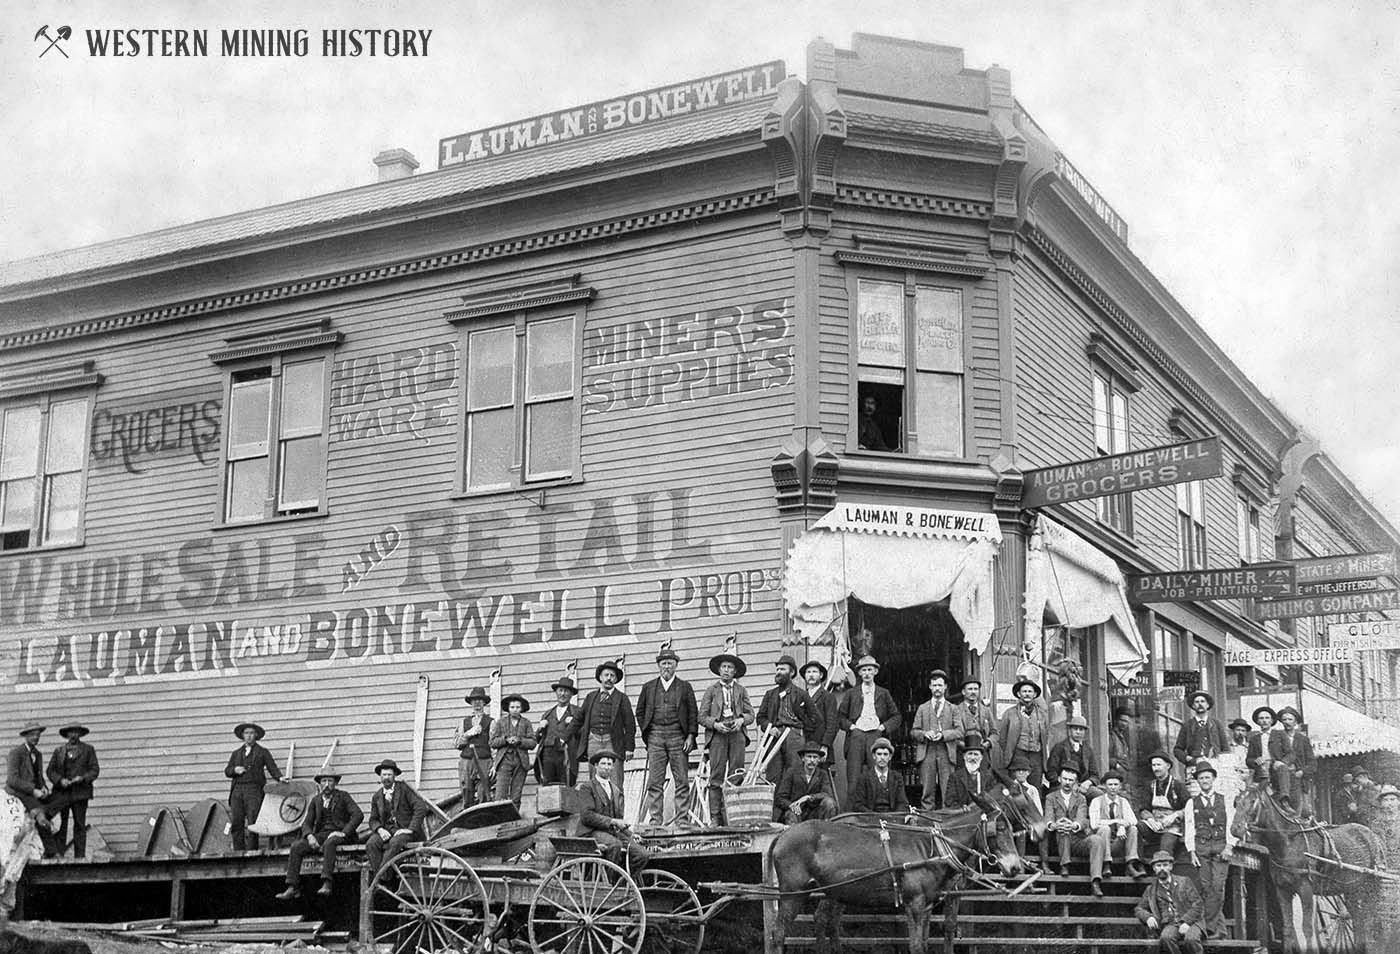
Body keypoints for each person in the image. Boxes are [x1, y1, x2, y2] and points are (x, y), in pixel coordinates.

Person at [635, 644, 699, 827]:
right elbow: (639, 712)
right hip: (655, 736)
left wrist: (690, 736)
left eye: (670, 663)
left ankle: (682, 820)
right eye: (663, 663)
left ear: (676, 665)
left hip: (678, 737)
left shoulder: (685, 687)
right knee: (655, 782)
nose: (667, 667)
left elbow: (693, 714)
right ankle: (656, 820)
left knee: (681, 780)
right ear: (658, 665)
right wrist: (647, 732)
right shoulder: (648, 687)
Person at [276, 768, 363, 900]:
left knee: (330, 842)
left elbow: (358, 815)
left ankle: (327, 882)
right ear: (320, 783)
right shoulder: (316, 800)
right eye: (324, 781)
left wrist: (344, 832)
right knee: (296, 846)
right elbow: (306, 823)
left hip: (340, 835)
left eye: (330, 781)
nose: (327, 784)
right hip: (322, 834)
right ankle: (293, 886)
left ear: (335, 783)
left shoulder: (343, 796)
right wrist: (310, 836)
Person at [698, 647, 754, 826]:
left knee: (736, 775)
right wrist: (715, 724)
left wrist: (741, 721)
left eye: (730, 667)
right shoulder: (711, 690)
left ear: (735, 671)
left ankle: (733, 816)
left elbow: (751, 714)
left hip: (737, 735)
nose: (727, 670)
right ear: (719, 670)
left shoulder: (741, 690)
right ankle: (716, 817)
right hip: (718, 736)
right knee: (716, 776)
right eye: (724, 667)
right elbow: (701, 716)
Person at [571, 750, 650, 871]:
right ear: (596, 765)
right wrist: (613, 821)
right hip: (591, 832)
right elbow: (587, 816)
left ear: (613, 767)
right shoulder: (587, 787)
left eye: (609, 764)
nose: (606, 767)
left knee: (641, 854)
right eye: (603, 764)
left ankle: (622, 880)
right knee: (615, 845)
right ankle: (608, 884)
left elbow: (618, 820)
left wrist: (631, 834)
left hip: (611, 833)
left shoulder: (616, 790)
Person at [1183, 760, 1235, 940]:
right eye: (1201, 778)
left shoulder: (1224, 799)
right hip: (1202, 848)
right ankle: (1220, 930)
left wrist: (1230, 846)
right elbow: (1189, 828)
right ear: (1197, 781)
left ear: (1213, 779)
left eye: (1207, 777)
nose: (1204, 780)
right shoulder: (1192, 803)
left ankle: (1209, 929)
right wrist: (1191, 851)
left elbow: (1231, 825)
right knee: (1205, 888)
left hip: (1221, 848)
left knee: (1218, 887)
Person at [837, 656, 901, 795]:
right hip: (856, 737)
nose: (866, 673)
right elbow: (840, 717)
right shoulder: (851, 693)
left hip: (876, 736)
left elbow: (896, 717)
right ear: (859, 673)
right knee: (854, 778)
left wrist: (883, 727)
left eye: (869, 670)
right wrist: (851, 727)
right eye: (863, 670)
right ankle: (854, 814)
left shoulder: (883, 693)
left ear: (875, 672)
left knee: (877, 776)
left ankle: (878, 813)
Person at [1047, 765, 1109, 896]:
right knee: (1062, 829)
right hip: (1059, 841)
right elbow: (1048, 818)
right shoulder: (1051, 797)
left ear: (1075, 782)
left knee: (1096, 839)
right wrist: (1055, 824)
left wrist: (1074, 825)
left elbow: (1082, 818)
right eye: (1065, 779)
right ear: (1059, 779)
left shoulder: (1081, 798)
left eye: (1071, 780)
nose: (1067, 783)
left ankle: (1096, 881)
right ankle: (1065, 865)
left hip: (1076, 839)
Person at [911, 669, 965, 810]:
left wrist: (943, 734)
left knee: (948, 789)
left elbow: (960, 731)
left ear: (945, 687)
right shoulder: (922, 708)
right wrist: (924, 734)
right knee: (927, 789)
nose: (937, 688)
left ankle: (947, 818)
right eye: (934, 685)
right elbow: (913, 731)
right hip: (927, 751)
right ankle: (927, 818)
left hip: (946, 752)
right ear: (930, 686)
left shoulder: (953, 708)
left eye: (940, 685)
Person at [577, 659, 637, 789]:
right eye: (606, 675)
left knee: (615, 779)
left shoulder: (622, 698)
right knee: (595, 780)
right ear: (600, 677)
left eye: (612, 676)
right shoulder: (591, 697)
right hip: (593, 741)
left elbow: (630, 724)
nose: (609, 678)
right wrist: (564, 737)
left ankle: (617, 809)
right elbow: (578, 719)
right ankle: (597, 808)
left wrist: (629, 748)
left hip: (613, 742)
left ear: (616, 679)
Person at [757, 655, 816, 785]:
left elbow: (814, 719)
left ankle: (793, 804)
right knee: (773, 774)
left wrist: (801, 729)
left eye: (782, 669)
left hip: (794, 737)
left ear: (792, 672)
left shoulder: (802, 694)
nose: (778, 672)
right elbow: (760, 717)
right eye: (777, 669)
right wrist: (769, 727)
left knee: (795, 773)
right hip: (774, 736)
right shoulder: (770, 694)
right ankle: (775, 805)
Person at [224, 722, 281, 851]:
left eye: (251, 733)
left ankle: (252, 852)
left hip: (254, 790)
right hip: (237, 790)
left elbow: (272, 768)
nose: (249, 736)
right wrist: (234, 770)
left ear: (256, 735)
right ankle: (238, 852)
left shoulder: (262, 752)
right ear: (242, 736)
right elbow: (227, 771)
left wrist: (280, 778)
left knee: (253, 822)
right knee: (237, 821)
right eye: (246, 733)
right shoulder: (236, 754)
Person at [1135, 850, 1206, 954]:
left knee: (1191, 939)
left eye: (1165, 865)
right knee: (1166, 938)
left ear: (1171, 867)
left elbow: (1198, 905)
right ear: (1154, 869)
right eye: (1158, 866)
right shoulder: (1151, 890)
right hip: (1170, 923)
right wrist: (1148, 917)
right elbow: (1139, 909)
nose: (1162, 868)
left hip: (1192, 922)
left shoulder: (1184, 882)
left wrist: (1186, 922)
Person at [46, 722, 99, 859]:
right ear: (67, 734)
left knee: (79, 825)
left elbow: (94, 770)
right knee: (61, 825)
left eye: (76, 732)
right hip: (61, 794)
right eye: (71, 732)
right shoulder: (59, 751)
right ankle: (60, 856)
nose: (73, 735)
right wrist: (59, 780)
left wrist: (82, 778)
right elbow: (50, 771)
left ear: (81, 734)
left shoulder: (88, 750)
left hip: (80, 794)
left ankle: (79, 857)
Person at [365, 759, 429, 873]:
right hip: (387, 831)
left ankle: (380, 878)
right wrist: (380, 830)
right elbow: (373, 819)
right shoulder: (377, 796)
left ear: (395, 775)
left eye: (389, 774)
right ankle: (383, 880)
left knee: (395, 842)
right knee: (371, 843)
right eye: (384, 775)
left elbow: (421, 808)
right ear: (380, 776)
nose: (386, 778)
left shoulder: (404, 789)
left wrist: (409, 829)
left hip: (406, 831)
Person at [5, 722, 56, 857]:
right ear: (26, 736)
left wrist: (43, 787)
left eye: (38, 735)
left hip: (32, 792)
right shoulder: (16, 753)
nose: (36, 738)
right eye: (32, 735)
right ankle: (51, 852)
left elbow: (38, 776)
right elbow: (12, 780)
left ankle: (46, 843)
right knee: (40, 813)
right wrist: (33, 790)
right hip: (18, 792)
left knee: (55, 801)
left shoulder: (37, 754)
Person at [1090, 769, 1146, 877]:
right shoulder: (1096, 801)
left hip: (1118, 842)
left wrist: (1122, 826)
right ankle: (1106, 864)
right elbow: (1094, 824)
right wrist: (1117, 821)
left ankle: (1130, 864)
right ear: (1104, 786)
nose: (1113, 787)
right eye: (1110, 784)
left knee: (1133, 829)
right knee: (1105, 828)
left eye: (1116, 784)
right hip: (1102, 843)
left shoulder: (1123, 801)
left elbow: (1133, 820)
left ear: (1120, 786)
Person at [995, 678, 1049, 790]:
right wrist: (1012, 751)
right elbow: (1002, 738)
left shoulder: (1042, 715)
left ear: (1034, 694)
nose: (1027, 694)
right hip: (1018, 754)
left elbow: (1046, 735)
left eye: (1030, 691)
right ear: (1019, 694)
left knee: (1035, 787)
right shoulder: (1010, 713)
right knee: (1016, 788)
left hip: (1036, 756)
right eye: (1024, 691)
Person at [1138, 751, 1188, 861]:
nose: (1156, 768)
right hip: (1155, 826)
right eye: (1153, 765)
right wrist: (1150, 820)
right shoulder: (1150, 785)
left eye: (1158, 765)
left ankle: (1165, 873)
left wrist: (1175, 815)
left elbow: (1190, 807)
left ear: (1168, 766)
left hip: (1172, 828)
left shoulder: (1178, 786)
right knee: (1138, 827)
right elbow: (1144, 808)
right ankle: (1138, 864)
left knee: (1166, 846)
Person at [490, 693, 536, 808]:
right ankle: (500, 821)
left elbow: (533, 743)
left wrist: (520, 741)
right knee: (500, 794)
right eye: (512, 707)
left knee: (516, 795)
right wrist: (505, 740)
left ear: (522, 708)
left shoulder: (526, 723)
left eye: (517, 707)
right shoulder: (501, 722)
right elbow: (493, 742)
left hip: (521, 762)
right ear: (508, 708)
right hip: (504, 760)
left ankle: (514, 821)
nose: (515, 710)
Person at [773, 744, 838, 823]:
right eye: (809, 757)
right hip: (796, 813)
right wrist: (791, 805)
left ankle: (826, 832)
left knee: (829, 803)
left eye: (815, 757)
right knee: (791, 816)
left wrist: (809, 797)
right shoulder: (792, 772)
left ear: (819, 760)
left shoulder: (822, 774)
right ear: (803, 758)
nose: (812, 760)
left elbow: (827, 794)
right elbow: (780, 798)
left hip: (815, 814)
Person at [536, 676, 582, 787]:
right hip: (548, 755)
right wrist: (540, 729)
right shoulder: (548, 713)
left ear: (571, 694)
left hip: (567, 754)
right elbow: (537, 738)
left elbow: (583, 734)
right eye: (560, 690)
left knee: (566, 786)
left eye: (566, 691)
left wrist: (574, 725)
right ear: (556, 692)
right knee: (548, 787)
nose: (563, 694)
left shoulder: (577, 712)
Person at [1269, 706, 1315, 813]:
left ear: (1295, 722)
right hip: (1280, 780)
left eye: (1290, 719)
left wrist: (1302, 771)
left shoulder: (1302, 739)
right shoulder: (1276, 737)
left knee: (1303, 812)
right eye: (1284, 720)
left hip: (1298, 780)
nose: (1287, 722)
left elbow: (1312, 763)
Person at [1047, 714, 1103, 801]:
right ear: (1070, 730)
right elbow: (1051, 772)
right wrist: (1066, 783)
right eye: (1075, 729)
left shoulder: (1088, 750)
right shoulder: (1059, 747)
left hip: (1082, 786)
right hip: (1062, 785)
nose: (1078, 732)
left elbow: (1095, 774)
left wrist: (1088, 783)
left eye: (1081, 729)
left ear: (1084, 732)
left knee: (1099, 795)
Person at [455, 687, 494, 808]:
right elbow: (456, 744)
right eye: (474, 700)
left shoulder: (491, 722)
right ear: (470, 703)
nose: (477, 703)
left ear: (484, 703)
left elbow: (494, 745)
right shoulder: (464, 722)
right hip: (466, 761)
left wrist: (495, 764)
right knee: (466, 790)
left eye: (480, 700)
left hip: (484, 760)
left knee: (484, 792)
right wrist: (468, 734)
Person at [1006, 753, 1046, 868]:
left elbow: (1038, 811)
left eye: (1024, 771)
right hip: (1015, 824)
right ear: (1014, 772)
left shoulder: (1032, 790)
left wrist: (1032, 822)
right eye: (1019, 771)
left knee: (1042, 828)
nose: (1022, 773)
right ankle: (1020, 864)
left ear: (1029, 773)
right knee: (1021, 832)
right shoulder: (1010, 789)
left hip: (1030, 823)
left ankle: (1044, 863)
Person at [850, 737, 909, 813]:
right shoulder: (864, 778)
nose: (882, 758)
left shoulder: (897, 777)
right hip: (871, 817)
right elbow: (858, 804)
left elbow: (902, 802)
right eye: (879, 754)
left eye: (885, 754)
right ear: (874, 756)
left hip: (891, 818)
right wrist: (874, 816)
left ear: (890, 757)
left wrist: (893, 816)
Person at [801, 660, 840, 772]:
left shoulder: (827, 697)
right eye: (808, 672)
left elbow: (832, 724)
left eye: (814, 672)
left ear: (821, 675)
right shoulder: (800, 696)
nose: (811, 675)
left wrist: (825, 746)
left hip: (820, 746)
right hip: (804, 746)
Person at [1172, 691, 1229, 767]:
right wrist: (1188, 758)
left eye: (1202, 701)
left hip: (1215, 765)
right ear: (1193, 706)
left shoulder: (1216, 724)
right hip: (1194, 765)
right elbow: (1177, 750)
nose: (1200, 704)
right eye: (1197, 702)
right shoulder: (1187, 725)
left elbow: (1226, 748)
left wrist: (1221, 762)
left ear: (1207, 705)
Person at [944, 732, 996, 809]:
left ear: (981, 757)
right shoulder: (955, 777)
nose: (973, 758)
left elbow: (993, 799)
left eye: (976, 754)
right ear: (964, 756)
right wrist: (961, 808)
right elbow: (949, 801)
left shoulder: (988, 777)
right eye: (970, 754)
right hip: (963, 817)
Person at [955, 677, 998, 765]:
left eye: (976, 689)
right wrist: (962, 744)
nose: (973, 692)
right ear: (963, 692)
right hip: (962, 753)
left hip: (982, 753)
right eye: (970, 689)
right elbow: (952, 733)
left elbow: (995, 733)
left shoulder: (986, 711)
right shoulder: (955, 710)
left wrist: (988, 743)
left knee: (983, 777)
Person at [1215, 717, 1252, 805]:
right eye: (1237, 730)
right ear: (1233, 731)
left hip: (1246, 777)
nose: (1240, 733)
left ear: (1246, 733)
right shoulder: (1226, 747)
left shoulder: (1250, 747)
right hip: (1230, 777)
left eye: (1243, 731)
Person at [1245, 705, 1278, 786]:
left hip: (1277, 771)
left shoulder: (1279, 735)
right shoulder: (1254, 739)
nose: (1264, 721)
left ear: (1272, 720)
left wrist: (1281, 762)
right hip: (1261, 772)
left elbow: (1290, 753)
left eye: (1267, 718)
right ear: (1258, 722)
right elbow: (1248, 759)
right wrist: (1255, 760)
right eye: (1261, 718)